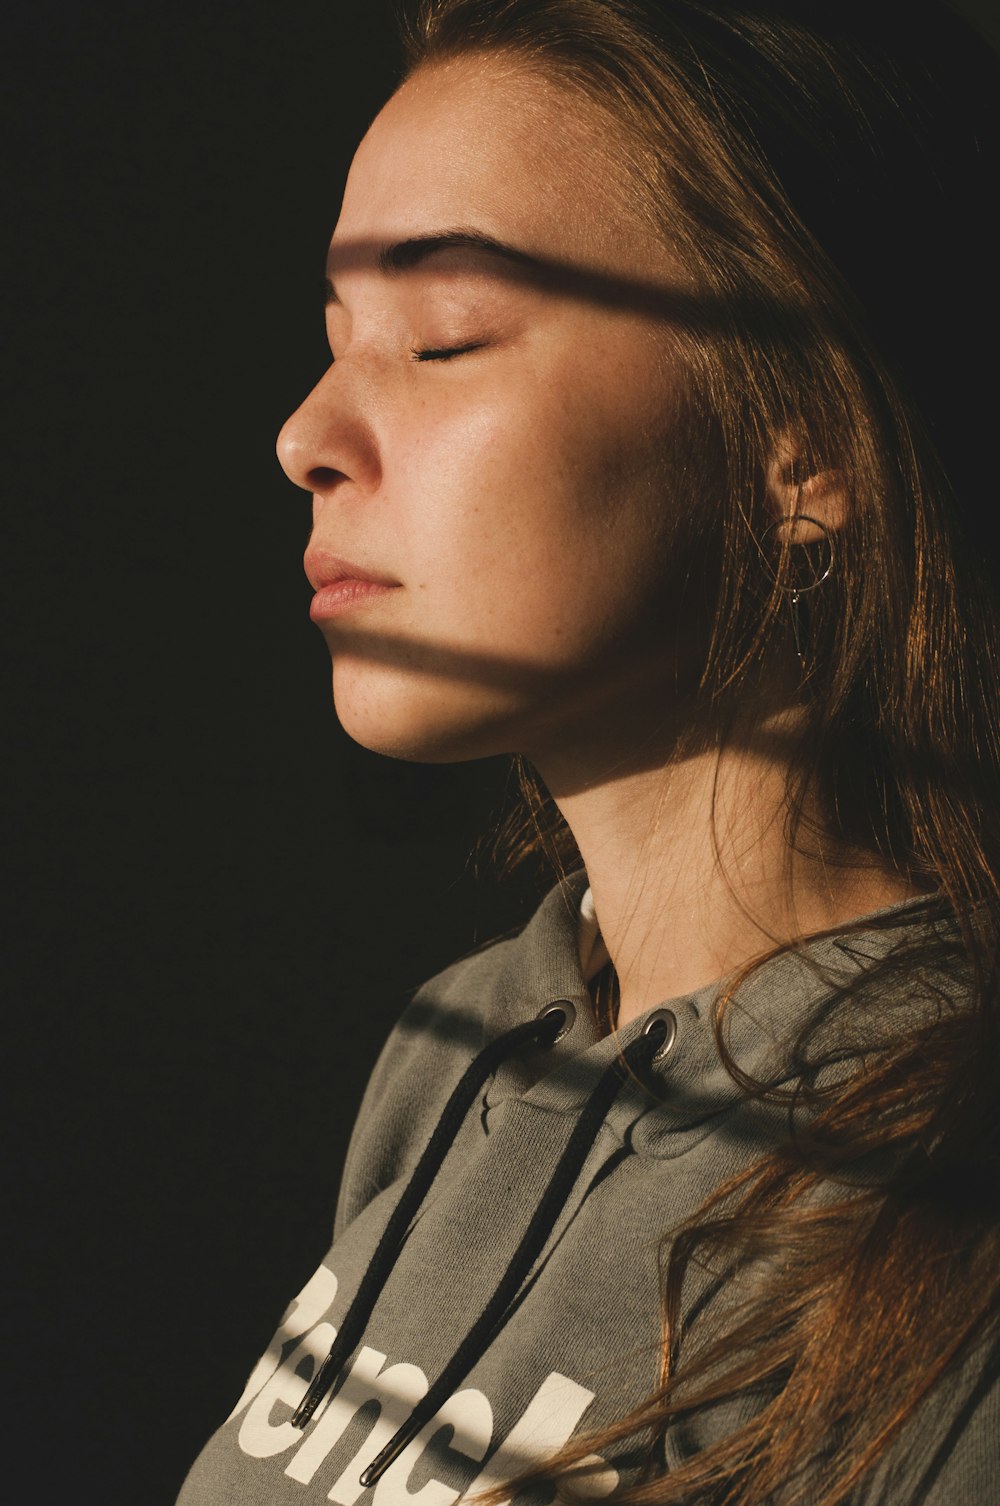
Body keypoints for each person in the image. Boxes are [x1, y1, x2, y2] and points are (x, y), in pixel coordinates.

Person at [175, 2, 1000, 1502]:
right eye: (335, 343)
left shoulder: (941, 1190)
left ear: (801, 441)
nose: (306, 431)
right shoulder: (458, 1044)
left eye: (441, 338)